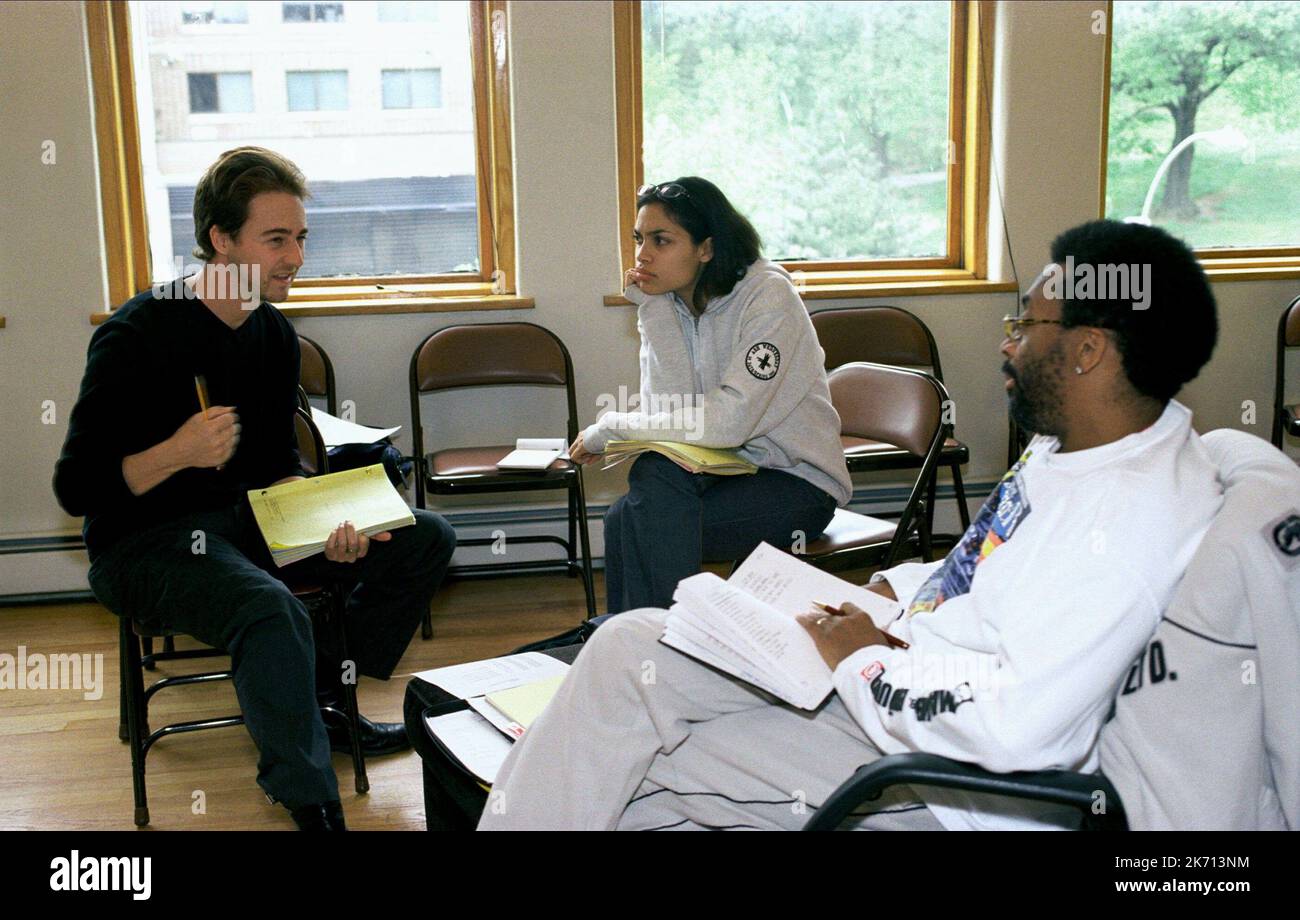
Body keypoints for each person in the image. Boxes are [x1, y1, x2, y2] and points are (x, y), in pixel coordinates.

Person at [480, 219, 1223, 831]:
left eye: (1024, 323)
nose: (1006, 342)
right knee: (626, 646)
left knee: (635, 773)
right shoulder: (1071, 449)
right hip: (892, 661)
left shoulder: (1125, 527)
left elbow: (1014, 731)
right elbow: (980, 567)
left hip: (939, 775)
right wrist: (891, 592)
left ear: (1089, 349)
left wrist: (860, 657)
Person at [53, 146, 456, 831]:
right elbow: (76, 487)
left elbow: (274, 471)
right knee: (270, 610)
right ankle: (310, 799)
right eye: (276, 240)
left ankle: (320, 695)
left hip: (250, 522)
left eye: (300, 238)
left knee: (425, 538)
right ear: (220, 239)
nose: (294, 257)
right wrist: (175, 453)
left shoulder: (271, 332)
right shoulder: (139, 332)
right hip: (144, 543)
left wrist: (326, 518)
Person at [569, 177, 852, 614]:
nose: (643, 254)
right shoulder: (675, 300)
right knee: (645, 487)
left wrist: (610, 429)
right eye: (639, 239)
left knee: (634, 519)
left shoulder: (769, 295)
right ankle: (647, 644)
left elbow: (727, 421)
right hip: (727, 470)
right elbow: (671, 411)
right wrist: (653, 307)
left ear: (706, 248)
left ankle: (655, 645)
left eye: (661, 240)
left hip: (798, 483)